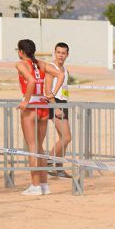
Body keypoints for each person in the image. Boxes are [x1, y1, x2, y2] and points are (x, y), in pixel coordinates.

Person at [15, 39, 50, 196]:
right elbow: (59, 73)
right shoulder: (41, 63)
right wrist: (50, 92)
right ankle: (44, 185)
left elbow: (31, 80)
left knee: (32, 147)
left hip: (32, 106)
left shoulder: (21, 64)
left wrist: (26, 100)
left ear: (21, 51)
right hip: (43, 104)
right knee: (40, 147)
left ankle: (35, 185)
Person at [45, 42, 72, 178]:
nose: (61, 55)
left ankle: (59, 169)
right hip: (54, 103)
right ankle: (48, 162)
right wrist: (55, 107)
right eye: (58, 52)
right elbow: (47, 89)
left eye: (63, 53)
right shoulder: (51, 67)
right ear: (54, 53)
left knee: (64, 139)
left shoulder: (65, 69)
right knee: (67, 137)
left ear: (67, 54)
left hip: (63, 102)